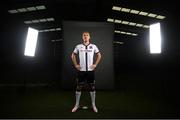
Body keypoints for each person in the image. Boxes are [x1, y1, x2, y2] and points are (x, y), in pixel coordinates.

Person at [71, 31, 101, 113]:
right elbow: (73, 55)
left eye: (87, 35)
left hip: (91, 71)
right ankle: (76, 105)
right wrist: (76, 64)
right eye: (84, 35)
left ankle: (93, 105)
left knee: (92, 87)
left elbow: (99, 55)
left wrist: (95, 64)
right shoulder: (78, 46)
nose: (85, 36)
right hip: (81, 71)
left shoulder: (93, 46)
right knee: (79, 87)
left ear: (89, 37)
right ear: (82, 37)